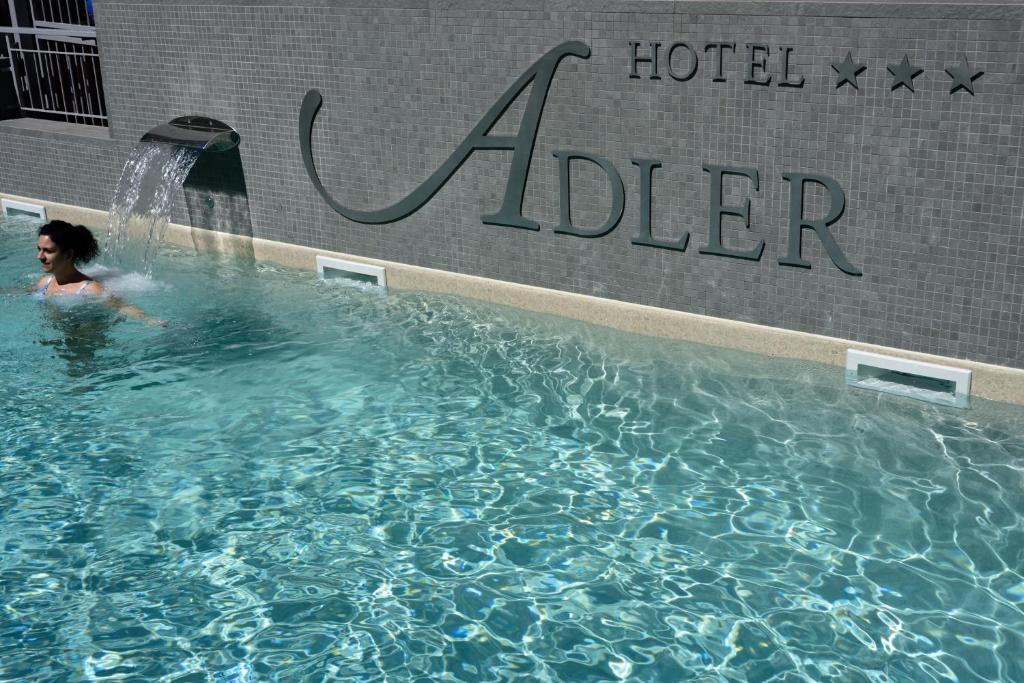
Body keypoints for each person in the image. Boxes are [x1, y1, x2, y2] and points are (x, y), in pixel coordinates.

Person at [33, 220, 165, 325]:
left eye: (48, 251)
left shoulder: (90, 289)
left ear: (68, 254)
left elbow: (121, 307)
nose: (40, 256)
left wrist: (150, 320)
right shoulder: (44, 283)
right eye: (39, 249)